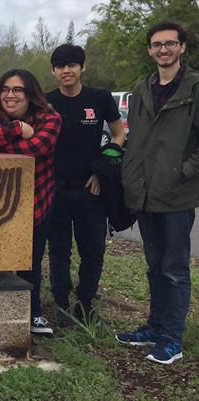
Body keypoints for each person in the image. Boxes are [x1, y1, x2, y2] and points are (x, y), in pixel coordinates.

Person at [116, 22, 197, 365]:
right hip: (144, 193)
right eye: (156, 45)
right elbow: (135, 138)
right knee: (153, 265)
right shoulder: (142, 88)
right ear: (150, 51)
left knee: (174, 268)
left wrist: (184, 171)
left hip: (176, 195)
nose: (163, 50)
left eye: (169, 44)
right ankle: (154, 326)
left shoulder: (193, 88)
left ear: (182, 48)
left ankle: (172, 339)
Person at [0, 70, 61, 336]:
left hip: (37, 199)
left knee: (30, 261)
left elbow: (37, 149)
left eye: (17, 90)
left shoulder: (50, 117)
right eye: (5, 89)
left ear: (30, 93)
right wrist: (16, 129)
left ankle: (33, 314)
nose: (10, 95)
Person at [46, 44, 125, 325]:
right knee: (58, 250)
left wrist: (102, 170)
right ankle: (61, 302)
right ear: (54, 71)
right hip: (55, 189)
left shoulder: (100, 99)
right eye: (60, 66)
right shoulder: (46, 102)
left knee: (93, 250)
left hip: (92, 189)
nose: (66, 71)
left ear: (82, 68)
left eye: (72, 65)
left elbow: (118, 134)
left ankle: (86, 300)